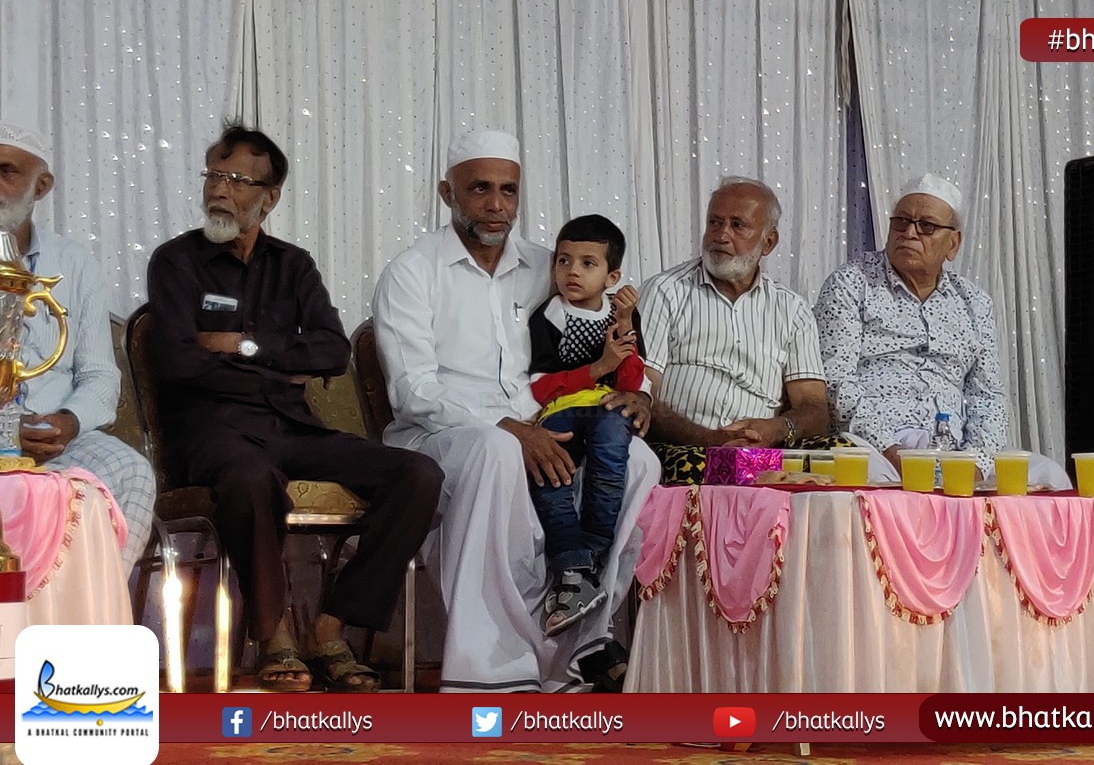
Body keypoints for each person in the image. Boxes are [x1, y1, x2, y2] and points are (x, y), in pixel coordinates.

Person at [147, 122, 443, 692]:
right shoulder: (176, 262)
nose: (219, 189)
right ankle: (274, 635)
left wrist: (241, 345)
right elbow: (179, 363)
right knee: (251, 477)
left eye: (238, 180)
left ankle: (331, 626)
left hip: (291, 425)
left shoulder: (293, 265)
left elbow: (333, 351)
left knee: (418, 473)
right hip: (212, 430)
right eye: (214, 175)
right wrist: (283, 362)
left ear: (271, 196)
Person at [372, 128, 660, 693]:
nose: (497, 204)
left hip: (543, 424)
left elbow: (603, 338)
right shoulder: (413, 271)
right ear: (446, 192)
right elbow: (412, 392)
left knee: (640, 461)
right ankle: (491, 668)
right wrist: (507, 426)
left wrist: (639, 394)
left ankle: (583, 642)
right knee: (498, 451)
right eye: (479, 188)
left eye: (509, 190)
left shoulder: (547, 266)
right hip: (442, 436)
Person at [813, 172, 1071, 489]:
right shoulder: (852, 283)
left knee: (1048, 474)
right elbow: (836, 381)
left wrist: (977, 466)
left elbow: (988, 396)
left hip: (954, 451)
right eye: (901, 222)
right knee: (864, 478)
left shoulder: (974, 302)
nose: (909, 233)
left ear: (953, 244)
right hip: (876, 447)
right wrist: (893, 452)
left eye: (927, 226)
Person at [0, 120, 155, 576]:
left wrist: (67, 423)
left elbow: (99, 375)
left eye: (6, 171)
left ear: (41, 186)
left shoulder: (74, 263)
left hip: (57, 442)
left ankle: (96, 613)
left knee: (132, 473)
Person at [639, 177, 833, 484]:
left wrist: (777, 429)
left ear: (768, 242)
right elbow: (642, 393)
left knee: (842, 463)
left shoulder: (792, 309)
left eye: (737, 225)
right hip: (685, 448)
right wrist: (709, 440)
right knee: (706, 471)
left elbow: (814, 408)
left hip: (765, 450)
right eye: (714, 223)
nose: (721, 235)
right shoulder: (666, 291)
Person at [527, 214, 648, 636]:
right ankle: (570, 565)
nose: (572, 272)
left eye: (587, 263)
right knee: (551, 476)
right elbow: (541, 386)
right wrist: (598, 367)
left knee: (611, 460)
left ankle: (593, 554)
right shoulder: (547, 317)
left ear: (612, 276)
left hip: (607, 408)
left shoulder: (620, 317)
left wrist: (627, 325)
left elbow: (630, 385)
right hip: (561, 409)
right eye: (563, 261)